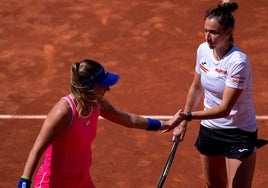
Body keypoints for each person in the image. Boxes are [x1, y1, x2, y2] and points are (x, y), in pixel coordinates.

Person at [17, 59, 180, 188]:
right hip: (53, 183)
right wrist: (24, 182)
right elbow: (37, 149)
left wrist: (164, 124)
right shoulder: (63, 112)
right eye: (103, 85)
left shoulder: (98, 103)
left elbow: (128, 120)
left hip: (82, 181)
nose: (107, 89)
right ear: (88, 88)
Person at [170, 1, 258, 188]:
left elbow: (225, 109)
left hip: (239, 132)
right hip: (210, 130)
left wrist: (189, 115)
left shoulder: (237, 62)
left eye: (214, 32)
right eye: (206, 31)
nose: (207, 37)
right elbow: (196, 87)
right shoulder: (203, 50)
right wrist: (183, 123)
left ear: (228, 32)